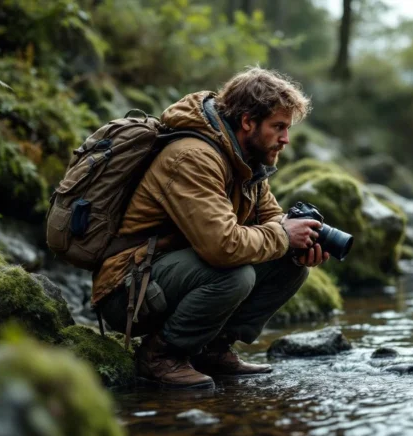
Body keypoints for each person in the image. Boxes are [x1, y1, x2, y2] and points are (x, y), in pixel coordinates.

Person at [91, 67, 329, 389]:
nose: (286, 139)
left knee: (290, 264)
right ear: (247, 121)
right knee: (235, 274)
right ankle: (160, 356)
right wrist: (284, 235)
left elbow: (273, 219)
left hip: (173, 276)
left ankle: (211, 350)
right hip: (128, 288)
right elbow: (223, 247)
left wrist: (298, 244)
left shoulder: (246, 160)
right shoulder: (193, 157)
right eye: (279, 127)